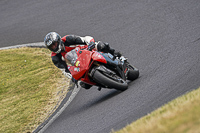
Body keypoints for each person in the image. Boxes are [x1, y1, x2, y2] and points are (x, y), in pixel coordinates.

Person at [44, 32, 121, 89]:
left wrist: (91, 43)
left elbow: (84, 39)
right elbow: (65, 70)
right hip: (79, 64)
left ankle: (116, 55)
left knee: (102, 45)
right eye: (52, 47)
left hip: (88, 50)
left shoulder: (68, 39)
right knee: (84, 84)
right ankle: (101, 82)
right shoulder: (55, 58)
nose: (54, 47)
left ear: (58, 40)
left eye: (55, 44)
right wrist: (73, 77)